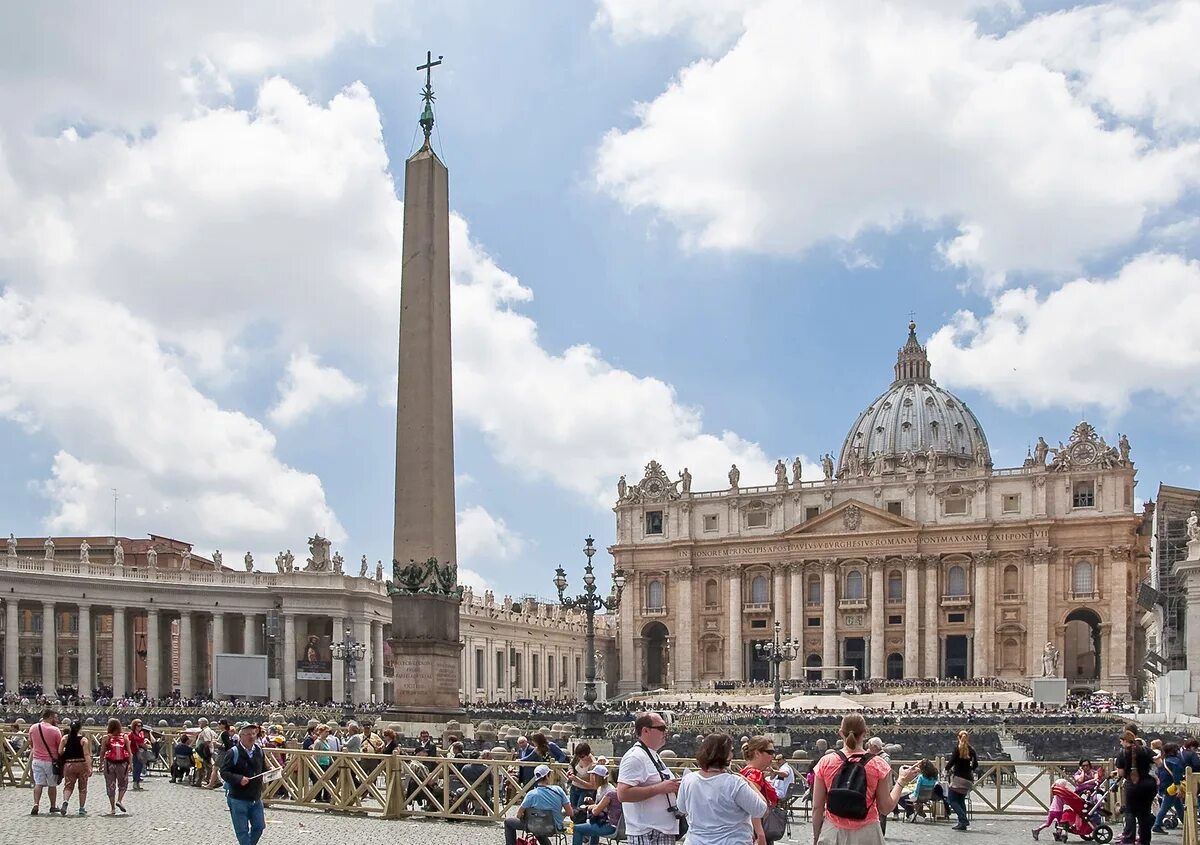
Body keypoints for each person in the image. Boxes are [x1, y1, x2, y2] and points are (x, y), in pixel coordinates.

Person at [811, 713, 917, 845]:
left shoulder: (825, 762)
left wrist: (816, 837)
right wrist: (901, 781)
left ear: (840, 733)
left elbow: (817, 807)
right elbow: (885, 808)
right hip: (868, 833)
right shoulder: (878, 764)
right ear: (866, 733)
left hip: (833, 832)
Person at [677, 733, 768, 845]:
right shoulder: (734, 783)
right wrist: (749, 783)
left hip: (696, 841)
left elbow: (682, 808)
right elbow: (761, 810)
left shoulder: (688, 779)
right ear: (726, 755)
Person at [618, 712, 682, 845]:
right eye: (661, 728)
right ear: (645, 730)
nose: (666, 732)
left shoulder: (652, 755)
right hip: (648, 832)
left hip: (660, 831)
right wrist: (659, 788)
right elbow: (623, 794)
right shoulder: (635, 757)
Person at [221, 722, 267, 845]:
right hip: (238, 798)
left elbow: (263, 769)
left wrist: (273, 772)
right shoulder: (233, 752)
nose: (251, 737)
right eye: (247, 734)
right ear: (241, 736)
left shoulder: (259, 750)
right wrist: (239, 778)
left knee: (259, 827)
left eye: (253, 733)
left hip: (255, 797)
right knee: (242, 831)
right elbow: (224, 773)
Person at [504, 764, 572, 845]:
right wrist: (560, 814)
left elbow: (518, 815)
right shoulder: (558, 790)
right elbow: (570, 812)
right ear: (547, 776)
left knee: (508, 822)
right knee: (540, 823)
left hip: (535, 826)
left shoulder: (531, 794)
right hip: (555, 827)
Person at [741, 735, 779, 845]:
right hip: (758, 829)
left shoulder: (746, 771)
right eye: (770, 752)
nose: (773, 756)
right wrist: (760, 833)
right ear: (757, 753)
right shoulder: (755, 774)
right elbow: (753, 806)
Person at [574, 765, 622, 845]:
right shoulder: (621, 793)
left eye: (594, 775)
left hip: (610, 826)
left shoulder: (610, 792)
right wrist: (593, 804)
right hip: (621, 827)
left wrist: (589, 807)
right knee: (594, 824)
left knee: (576, 828)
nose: (592, 777)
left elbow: (596, 811)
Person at [27, 707, 62, 816]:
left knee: (38, 783)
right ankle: (52, 806)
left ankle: (36, 804)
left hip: (36, 759)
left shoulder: (33, 727)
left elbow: (31, 743)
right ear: (50, 717)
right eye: (55, 718)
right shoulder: (55, 730)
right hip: (50, 761)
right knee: (52, 785)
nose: (56, 720)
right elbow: (59, 746)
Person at [945, 730, 978, 831]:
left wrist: (946, 769)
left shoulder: (957, 749)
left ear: (958, 738)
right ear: (968, 738)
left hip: (958, 778)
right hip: (968, 779)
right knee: (960, 800)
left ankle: (963, 820)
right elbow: (975, 764)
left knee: (951, 800)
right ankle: (961, 824)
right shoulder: (972, 750)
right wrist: (969, 770)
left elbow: (951, 762)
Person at [58, 720, 91, 815]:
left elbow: (60, 752)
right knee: (83, 787)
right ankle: (81, 808)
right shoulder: (83, 740)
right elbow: (86, 754)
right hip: (81, 764)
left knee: (68, 786)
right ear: (80, 728)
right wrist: (89, 767)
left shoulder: (65, 738)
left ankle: (65, 801)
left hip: (69, 764)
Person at [99, 717, 131, 815]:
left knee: (110, 785)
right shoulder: (125, 737)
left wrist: (101, 764)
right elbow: (129, 752)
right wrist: (130, 764)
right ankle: (119, 800)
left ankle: (112, 808)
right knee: (123, 784)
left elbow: (102, 751)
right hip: (122, 764)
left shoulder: (106, 737)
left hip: (109, 764)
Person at [1152, 743, 1184, 834]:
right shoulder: (1175, 761)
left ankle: (1185, 822)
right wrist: (1178, 788)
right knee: (1165, 807)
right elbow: (1177, 776)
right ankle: (1157, 825)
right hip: (1172, 787)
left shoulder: (1165, 760)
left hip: (1165, 786)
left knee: (1178, 806)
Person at [569, 742, 599, 807]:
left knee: (580, 812)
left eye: (582, 756)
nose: (580, 758)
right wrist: (570, 771)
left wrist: (577, 780)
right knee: (572, 811)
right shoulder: (577, 757)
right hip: (574, 788)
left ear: (587, 754)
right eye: (578, 756)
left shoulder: (593, 765)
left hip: (586, 791)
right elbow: (571, 765)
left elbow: (593, 786)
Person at [129, 718, 153, 791]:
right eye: (138, 725)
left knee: (140, 767)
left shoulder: (141, 733)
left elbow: (142, 741)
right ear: (134, 726)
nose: (140, 727)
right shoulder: (131, 734)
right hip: (135, 752)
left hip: (141, 752)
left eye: (141, 725)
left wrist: (145, 743)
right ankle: (135, 782)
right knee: (136, 767)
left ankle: (137, 782)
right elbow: (128, 744)